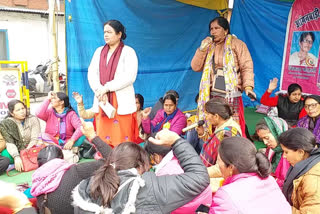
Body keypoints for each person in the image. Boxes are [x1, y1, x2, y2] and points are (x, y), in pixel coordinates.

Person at [72, 129, 210, 213]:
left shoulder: (86, 187)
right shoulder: (147, 189)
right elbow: (199, 177)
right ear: (142, 165)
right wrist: (177, 141)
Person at [30, 120, 112, 214]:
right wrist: (92, 136)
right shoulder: (75, 171)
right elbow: (112, 159)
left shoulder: (36, 182)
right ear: (62, 158)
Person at [191, 16, 255, 137]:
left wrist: (248, 87)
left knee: (231, 124)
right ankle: (214, 148)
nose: (213, 32)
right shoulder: (208, 47)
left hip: (231, 93)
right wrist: (201, 49)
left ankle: (233, 149)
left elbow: (247, 66)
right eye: (211, 29)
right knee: (213, 122)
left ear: (225, 30)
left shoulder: (237, 44)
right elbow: (195, 67)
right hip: (213, 92)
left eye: (216, 28)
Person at [87, 19, 138, 147]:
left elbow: (129, 76)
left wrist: (107, 88)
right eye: (104, 32)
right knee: (103, 133)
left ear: (119, 34)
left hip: (120, 99)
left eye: (109, 32)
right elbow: (91, 74)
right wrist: (100, 91)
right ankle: (104, 159)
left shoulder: (128, 52)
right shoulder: (99, 51)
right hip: (102, 98)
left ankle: (123, 159)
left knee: (122, 135)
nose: (106, 35)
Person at [209, 137, 291, 213]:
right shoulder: (269, 179)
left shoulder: (225, 194)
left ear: (231, 167)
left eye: (219, 160)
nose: (218, 165)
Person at [144, 141, 212, 214]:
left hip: (191, 209)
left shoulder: (162, 174)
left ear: (156, 157)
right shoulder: (180, 156)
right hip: (206, 202)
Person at [279, 128, 320, 213]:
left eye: (286, 152)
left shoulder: (312, 179)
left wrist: (282, 208)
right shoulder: (306, 165)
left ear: (301, 152)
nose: (284, 156)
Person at [197, 98, 242, 171]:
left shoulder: (229, 134)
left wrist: (201, 173)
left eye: (208, 114)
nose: (207, 117)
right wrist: (202, 133)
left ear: (216, 116)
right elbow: (213, 145)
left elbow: (223, 167)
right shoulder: (222, 125)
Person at [0, 99, 41, 172]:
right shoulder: (6, 123)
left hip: (31, 148)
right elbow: (9, 142)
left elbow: (35, 138)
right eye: (18, 110)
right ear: (12, 113)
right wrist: (16, 157)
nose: (22, 111)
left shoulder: (32, 119)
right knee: (5, 155)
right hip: (16, 149)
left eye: (23, 108)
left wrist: (26, 154)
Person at [255, 117, 290, 188]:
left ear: (277, 133)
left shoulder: (292, 151)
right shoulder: (271, 150)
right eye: (262, 139)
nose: (265, 142)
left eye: (267, 138)